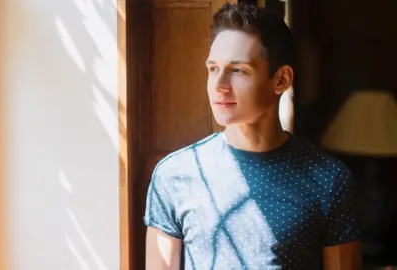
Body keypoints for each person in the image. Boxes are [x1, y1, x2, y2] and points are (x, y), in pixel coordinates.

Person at [143, 2, 361, 270]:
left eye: (238, 70)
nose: (219, 86)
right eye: (213, 69)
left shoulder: (329, 181)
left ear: (281, 80)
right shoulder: (174, 175)